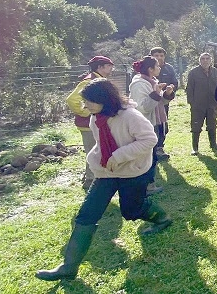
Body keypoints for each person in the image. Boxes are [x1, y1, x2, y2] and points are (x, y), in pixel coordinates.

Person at [36, 79, 172, 282]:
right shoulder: (96, 118)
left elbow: (149, 139)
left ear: (104, 99)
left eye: (90, 101)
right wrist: (95, 159)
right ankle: (68, 267)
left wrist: (118, 156)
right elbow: (101, 144)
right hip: (106, 173)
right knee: (86, 215)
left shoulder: (130, 116)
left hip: (132, 171)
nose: (86, 106)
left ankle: (162, 218)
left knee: (131, 210)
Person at [66, 55, 115, 191]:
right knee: (93, 152)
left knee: (98, 150)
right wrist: (87, 112)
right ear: (100, 67)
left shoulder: (99, 80)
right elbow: (72, 100)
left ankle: (94, 178)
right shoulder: (89, 81)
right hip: (88, 125)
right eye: (109, 66)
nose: (111, 69)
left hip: (97, 123)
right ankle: (90, 181)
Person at [129, 56, 174, 195]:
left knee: (152, 155)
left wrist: (166, 94)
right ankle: (145, 186)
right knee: (146, 156)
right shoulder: (139, 84)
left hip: (155, 122)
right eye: (157, 66)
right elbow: (142, 107)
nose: (160, 68)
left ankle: (149, 184)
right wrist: (156, 93)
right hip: (145, 124)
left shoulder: (153, 81)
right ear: (150, 69)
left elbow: (159, 103)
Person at [186, 52, 217, 155]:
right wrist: (192, 103)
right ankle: (195, 148)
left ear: (211, 60)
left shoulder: (215, 71)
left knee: (212, 124)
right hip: (198, 104)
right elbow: (189, 88)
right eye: (203, 59)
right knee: (196, 126)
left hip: (212, 103)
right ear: (199, 61)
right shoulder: (193, 72)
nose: (205, 61)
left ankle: (213, 144)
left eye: (207, 59)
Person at [150, 47, 178, 161]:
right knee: (151, 126)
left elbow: (175, 82)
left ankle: (160, 148)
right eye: (156, 55)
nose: (159, 58)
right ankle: (151, 149)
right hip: (150, 102)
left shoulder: (169, 68)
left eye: (161, 56)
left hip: (164, 102)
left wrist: (171, 89)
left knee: (163, 125)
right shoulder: (145, 68)